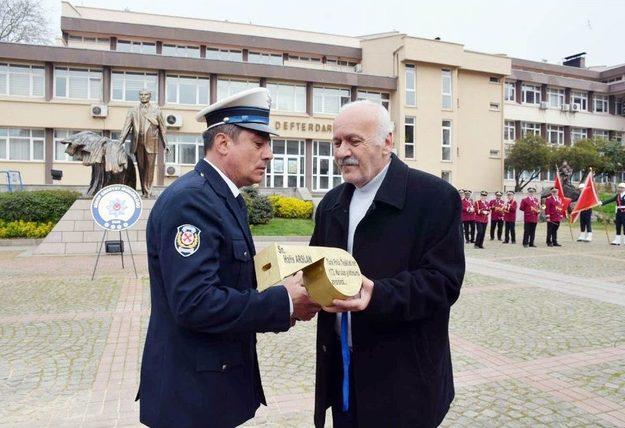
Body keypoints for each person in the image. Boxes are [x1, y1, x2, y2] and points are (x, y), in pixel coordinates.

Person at [137, 88, 320, 428]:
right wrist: (284, 303)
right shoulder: (191, 202)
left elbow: (228, 278)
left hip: (211, 388)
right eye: (258, 142)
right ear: (223, 143)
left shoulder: (224, 197)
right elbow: (195, 302)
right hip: (191, 397)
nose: (269, 154)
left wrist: (280, 282)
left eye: (269, 144)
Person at [310, 100, 464, 428]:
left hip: (403, 378)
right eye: (336, 143)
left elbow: (443, 282)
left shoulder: (434, 197)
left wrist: (377, 294)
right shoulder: (331, 203)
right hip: (342, 369)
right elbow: (315, 267)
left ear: (388, 142)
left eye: (354, 141)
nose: (341, 152)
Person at [118, 89, 168, 198]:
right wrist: (120, 142)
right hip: (137, 143)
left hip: (151, 143)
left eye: (145, 95)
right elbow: (126, 127)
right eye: (141, 95)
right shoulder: (132, 110)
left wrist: (166, 144)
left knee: (150, 168)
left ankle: (148, 191)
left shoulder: (156, 110)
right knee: (141, 168)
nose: (143, 97)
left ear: (149, 96)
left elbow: (163, 129)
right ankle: (144, 191)